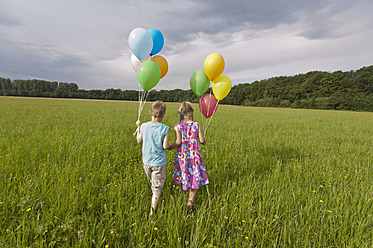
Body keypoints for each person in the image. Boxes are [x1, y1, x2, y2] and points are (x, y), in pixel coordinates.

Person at [171, 101, 209, 213]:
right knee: (194, 178)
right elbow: (202, 141)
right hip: (194, 157)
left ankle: (183, 196)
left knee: (184, 176)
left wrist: (169, 147)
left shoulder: (177, 126)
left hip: (183, 158)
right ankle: (190, 201)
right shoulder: (196, 125)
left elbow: (178, 142)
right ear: (191, 112)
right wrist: (204, 141)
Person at [136, 100, 171, 217]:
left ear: (150, 112)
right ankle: (152, 214)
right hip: (159, 163)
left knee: (154, 184)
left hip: (146, 162)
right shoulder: (165, 128)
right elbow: (165, 146)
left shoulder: (145, 126)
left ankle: (154, 199)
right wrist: (172, 146)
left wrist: (139, 127)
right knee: (156, 189)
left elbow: (138, 140)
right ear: (163, 115)